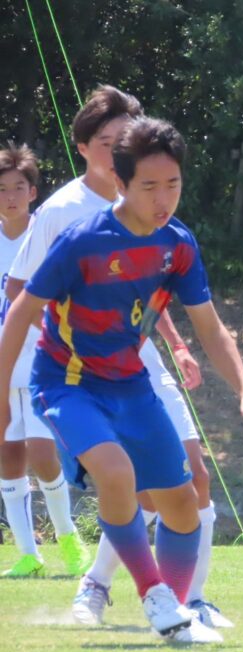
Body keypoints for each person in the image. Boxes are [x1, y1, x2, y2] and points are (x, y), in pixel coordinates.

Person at [0, 116, 243, 643]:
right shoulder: (82, 240)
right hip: (68, 382)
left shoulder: (178, 244)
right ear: (120, 183)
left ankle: (175, 616)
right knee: (117, 473)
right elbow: (20, 309)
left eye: (173, 184)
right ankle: (154, 595)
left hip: (131, 384)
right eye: (149, 186)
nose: (163, 198)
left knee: (183, 502)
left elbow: (210, 327)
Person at [0, 142, 91, 578]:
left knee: (42, 452)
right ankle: (27, 554)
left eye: (19, 188)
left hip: (42, 359)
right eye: (2, 189)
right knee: (7, 455)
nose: (11, 197)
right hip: (4, 364)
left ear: (33, 192)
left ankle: (68, 538)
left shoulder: (47, 232)